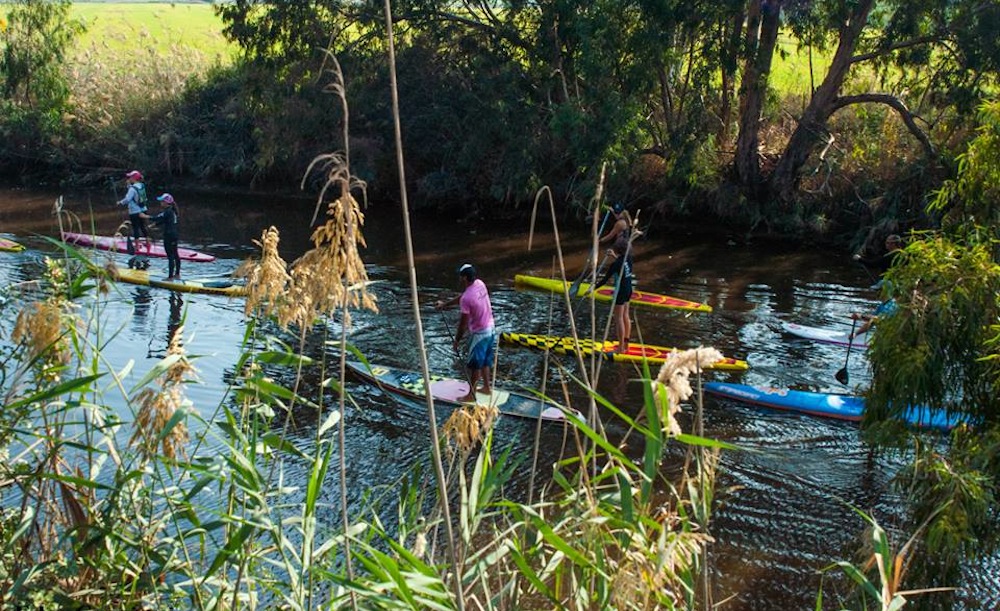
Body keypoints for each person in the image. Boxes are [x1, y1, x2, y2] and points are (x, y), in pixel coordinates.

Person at [435, 263, 496, 402]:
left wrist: (456, 341)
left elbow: (462, 325)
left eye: (460, 275)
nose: (459, 277)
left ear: (464, 278)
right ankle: (487, 388)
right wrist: (445, 305)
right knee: (485, 361)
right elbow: (462, 297)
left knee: (475, 365)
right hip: (491, 328)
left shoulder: (467, 298)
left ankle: (471, 395)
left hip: (480, 334)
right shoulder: (480, 284)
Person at [595, 237, 634, 353]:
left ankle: (621, 348)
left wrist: (592, 288)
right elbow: (621, 263)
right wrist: (614, 256)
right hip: (629, 290)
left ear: (617, 249)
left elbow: (604, 280)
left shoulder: (616, 264)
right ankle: (626, 345)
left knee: (618, 319)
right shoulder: (629, 258)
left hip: (620, 292)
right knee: (626, 316)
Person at [141, 193, 181, 280]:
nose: (160, 203)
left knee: (170, 256)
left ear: (167, 203)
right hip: (174, 235)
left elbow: (157, 217)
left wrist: (145, 216)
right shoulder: (172, 211)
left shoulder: (167, 211)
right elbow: (163, 221)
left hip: (168, 236)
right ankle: (177, 274)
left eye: (162, 201)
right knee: (176, 255)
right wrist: (153, 225)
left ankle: (170, 277)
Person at [118, 170, 151, 253]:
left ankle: (136, 247)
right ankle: (148, 243)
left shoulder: (132, 189)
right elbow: (135, 193)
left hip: (134, 212)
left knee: (136, 228)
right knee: (143, 227)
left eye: (130, 177)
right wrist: (129, 185)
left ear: (134, 178)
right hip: (143, 209)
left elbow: (128, 199)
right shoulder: (142, 185)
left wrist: (120, 203)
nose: (128, 178)